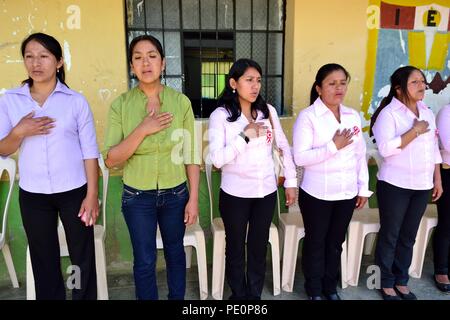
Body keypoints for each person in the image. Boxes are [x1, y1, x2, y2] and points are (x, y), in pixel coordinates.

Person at [0, 33, 99, 300]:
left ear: (58, 62)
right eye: (29, 56)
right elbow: (3, 148)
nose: (36, 63)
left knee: (80, 257)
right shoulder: (11, 100)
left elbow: (90, 152)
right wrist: (19, 131)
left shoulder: (75, 101)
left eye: (44, 56)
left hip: (74, 192)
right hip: (33, 194)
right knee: (44, 259)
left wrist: (91, 196)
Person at [103, 35, 200, 300]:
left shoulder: (181, 103)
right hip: (137, 197)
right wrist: (142, 130)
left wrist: (193, 199)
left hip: (176, 194)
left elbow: (191, 154)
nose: (145, 62)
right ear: (132, 66)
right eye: (138, 57)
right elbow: (111, 159)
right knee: (144, 260)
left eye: (152, 56)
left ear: (163, 63)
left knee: (175, 253)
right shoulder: (120, 106)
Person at [208, 58, 297, 300]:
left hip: (265, 192)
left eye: (258, 80)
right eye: (249, 80)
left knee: (258, 247)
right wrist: (244, 136)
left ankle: (254, 295)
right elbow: (217, 159)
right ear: (233, 83)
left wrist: (291, 182)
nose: (255, 85)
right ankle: (238, 295)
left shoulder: (267, 111)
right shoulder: (221, 116)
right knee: (236, 247)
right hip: (235, 194)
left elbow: (282, 147)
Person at [292, 63, 372, 300]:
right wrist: (332, 147)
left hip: (346, 192)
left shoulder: (352, 115)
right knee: (316, 243)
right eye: (332, 83)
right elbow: (301, 157)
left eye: (343, 83)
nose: (339, 88)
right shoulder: (308, 117)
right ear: (319, 88)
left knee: (336, 242)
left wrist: (363, 188)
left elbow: (360, 155)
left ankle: (330, 287)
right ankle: (314, 289)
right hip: (317, 194)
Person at [371, 66, 443, 300]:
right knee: (391, 234)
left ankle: (401, 280)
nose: (422, 86)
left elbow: (434, 149)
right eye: (415, 82)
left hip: (422, 185)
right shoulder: (389, 115)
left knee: (408, 236)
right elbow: (385, 149)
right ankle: (385, 282)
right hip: (395, 185)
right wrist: (413, 132)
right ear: (399, 88)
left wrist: (437, 179)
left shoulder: (427, 112)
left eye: (423, 81)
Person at [434, 103, 450, 293]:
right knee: (447, 223)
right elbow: (447, 144)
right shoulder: (447, 112)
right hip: (447, 172)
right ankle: (441, 269)